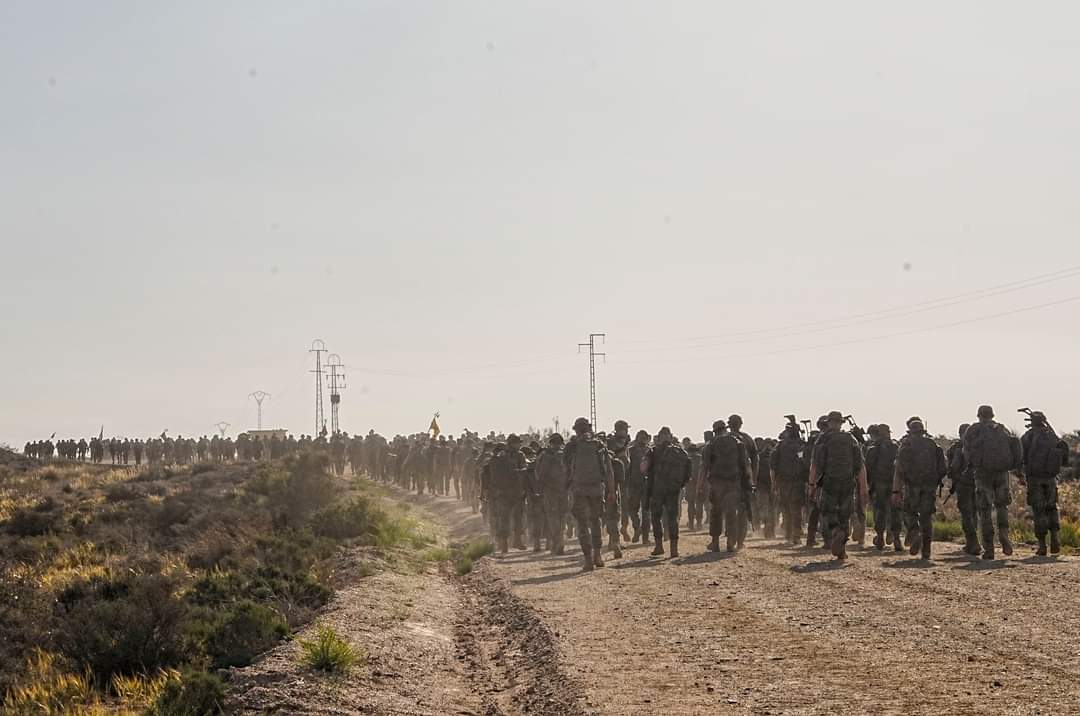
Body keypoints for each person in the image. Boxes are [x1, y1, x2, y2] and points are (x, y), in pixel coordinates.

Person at [810, 411, 869, 560]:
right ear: (841, 423)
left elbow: (815, 465)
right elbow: (861, 465)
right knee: (845, 514)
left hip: (829, 482)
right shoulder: (851, 439)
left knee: (827, 510)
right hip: (848, 482)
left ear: (829, 423)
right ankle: (842, 550)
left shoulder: (822, 439)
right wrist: (863, 487)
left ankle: (835, 530)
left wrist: (812, 485)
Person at [962, 406, 1016, 559]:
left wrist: (972, 465)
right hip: (1002, 473)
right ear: (992, 415)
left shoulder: (973, 430)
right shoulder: (1001, 429)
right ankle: (1004, 535)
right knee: (1002, 506)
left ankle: (989, 549)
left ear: (978, 415)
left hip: (982, 473)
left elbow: (966, 452)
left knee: (985, 511)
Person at [892, 418, 946, 560]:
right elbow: (943, 468)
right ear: (923, 431)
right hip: (929, 486)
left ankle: (915, 533)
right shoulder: (933, 445)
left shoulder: (906, 445)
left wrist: (896, 491)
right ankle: (926, 550)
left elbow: (899, 469)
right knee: (926, 517)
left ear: (910, 431)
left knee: (908, 512)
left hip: (912, 486)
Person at [567, 418, 616, 571]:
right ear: (588, 428)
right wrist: (612, 490)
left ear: (576, 430)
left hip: (579, 489)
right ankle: (598, 556)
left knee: (582, 525)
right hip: (596, 489)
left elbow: (566, 470)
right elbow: (608, 470)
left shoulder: (571, 447)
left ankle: (588, 560)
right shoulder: (599, 445)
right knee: (595, 522)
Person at [1021, 411, 1070, 556]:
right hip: (1051, 478)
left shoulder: (1028, 436)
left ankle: (1042, 545)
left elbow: (1021, 456)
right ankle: (1055, 540)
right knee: (1052, 508)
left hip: (1035, 478)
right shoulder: (1052, 436)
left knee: (1038, 511)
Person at [699, 419, 750, 552]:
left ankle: (715, 543)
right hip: (734, 482)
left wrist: (700, 485)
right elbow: (745, 464)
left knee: (716, 512)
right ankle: (730, 543)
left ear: (715, 431)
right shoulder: (738, 442)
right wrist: (749, 482)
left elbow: (704, 467)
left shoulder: (710, 445)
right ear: (725, 429)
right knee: (731, 512)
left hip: (717, 484)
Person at [642, 426, 692, 558]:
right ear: (670, 437)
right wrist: (680, 484)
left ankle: (659, 546)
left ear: (659, 437)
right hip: (673, 490)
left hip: (657, 490)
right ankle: (674, 550)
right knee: (672, 518)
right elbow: (688, 470)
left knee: (656, 518)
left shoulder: (653, 451)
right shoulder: (680, 452)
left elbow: (644, 468)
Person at [946, 424, 981, 555]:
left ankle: (972, 541)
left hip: (963, 484)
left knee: (966, 514)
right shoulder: (979, 445)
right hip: (979, 483)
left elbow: (953, 467)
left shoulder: (957, 447)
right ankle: (973, 541)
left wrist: (954, 477)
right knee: (974, 512)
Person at [866, 424, 901, 552]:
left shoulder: (872, 449)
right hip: (894, 484)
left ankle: (880, 537)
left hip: (878, 484)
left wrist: (869, 486)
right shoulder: (896, 447)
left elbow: (868, 469)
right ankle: (896, 538)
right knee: (895, 511)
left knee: (879, 511)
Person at [771, 422, 806, 545]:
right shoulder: (801, 445)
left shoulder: (780, 445)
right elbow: (804, 463)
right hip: (798, 481)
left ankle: (789, 533)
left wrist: (774, 483)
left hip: (784, 482)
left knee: (786, 508)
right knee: (795, 509)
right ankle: (795, 535)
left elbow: (773, 465)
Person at [535, 434, 569, 554]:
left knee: (552, 518)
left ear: (550, 443)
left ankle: (557, 542)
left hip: (550, 491)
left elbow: (539, 475)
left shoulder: (544, 456)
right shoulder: (565, 454)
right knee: (562, 517)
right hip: (564, 491)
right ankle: (560, 541)